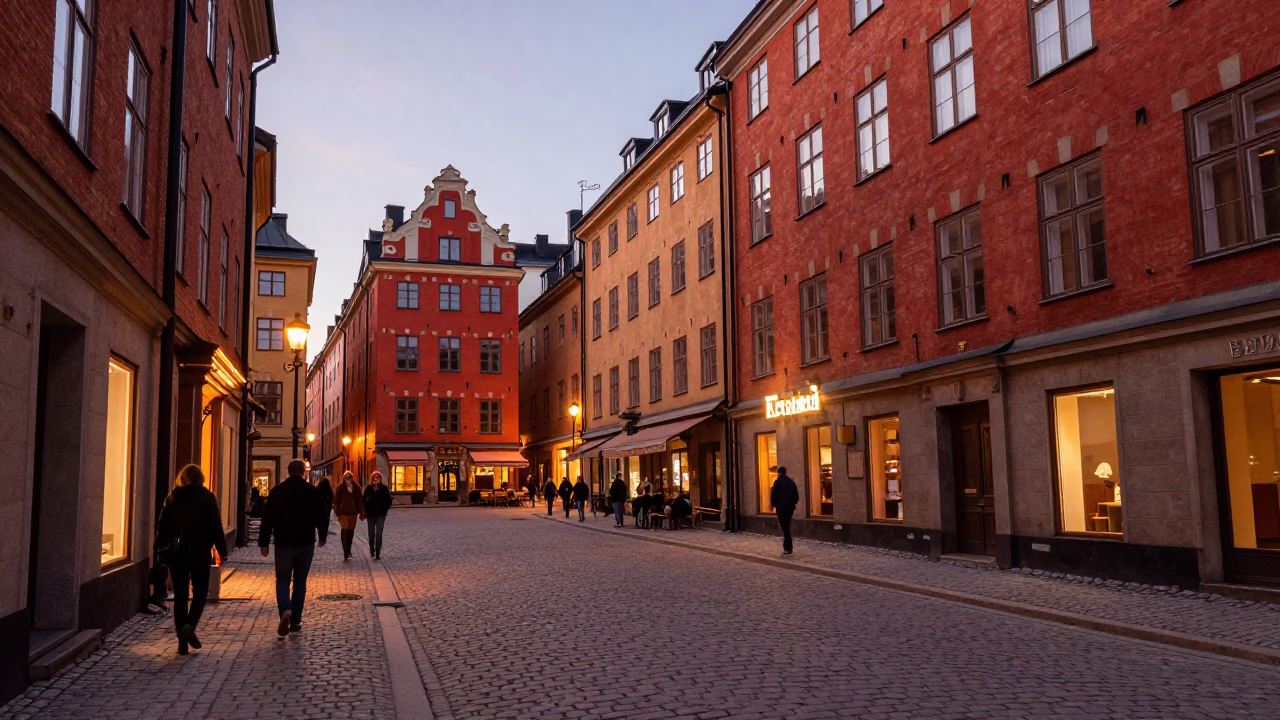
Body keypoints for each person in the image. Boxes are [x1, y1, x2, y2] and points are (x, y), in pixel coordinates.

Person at [154, 464, 227, 656]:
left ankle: (181, 641)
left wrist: (159, 550)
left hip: (177, 554)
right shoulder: (207, 498)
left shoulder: (172, 498)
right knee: (200, 593)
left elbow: (162, 527)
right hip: (200, 552)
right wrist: (222, 550)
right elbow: (216, 526)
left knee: (180, 596)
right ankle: (189, 625)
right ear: (200, 478)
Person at [259, 459, 329, 637]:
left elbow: (267, 519)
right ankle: (296, 620)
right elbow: (323, 514)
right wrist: (322, 535)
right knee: (300, 582)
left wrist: (264, 543)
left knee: (282, 579)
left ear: (288, 472)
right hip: (305, 542)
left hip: (283, 543)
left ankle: (285, 610)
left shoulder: (277, 491)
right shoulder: (311, 491)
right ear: (303, 473)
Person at [333, 472, 365, 561]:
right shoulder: (341, 488)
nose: (348, 480)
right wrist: (337, 513)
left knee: (350, 532)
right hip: (343, 513)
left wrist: (361, 511)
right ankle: (345, 552)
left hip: (353, 513)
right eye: (347, 478)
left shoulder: (356, 488)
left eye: (350, 478)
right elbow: (336, 501)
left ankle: (349, 550)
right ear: (344, 479)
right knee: (344, 530)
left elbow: (360, 500)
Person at [362, 471, 393, 560]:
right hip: (371, 514)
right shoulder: (368, 488)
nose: (376, 479)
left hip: (380, 515)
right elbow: (363, 500)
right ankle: (372, 549)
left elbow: (389, 501)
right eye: (374, 477)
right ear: (372, 479)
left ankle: (378, 553)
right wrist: (366, 507)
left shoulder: (384, 489)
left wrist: (384, 509)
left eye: (377, 477)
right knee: (371, 533)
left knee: (379, 534)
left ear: (380, 479)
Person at [770, 466, 800, 555]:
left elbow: (774, 495)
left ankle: (788, 547)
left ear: (779, 473)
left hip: (781, 508)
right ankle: (787, 546)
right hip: (790, 508)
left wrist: (774, 504)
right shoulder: (791, 482)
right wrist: (793, 503)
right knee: (786, 526)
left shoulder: (777, 482)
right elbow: (796, 496)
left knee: (785, 528)